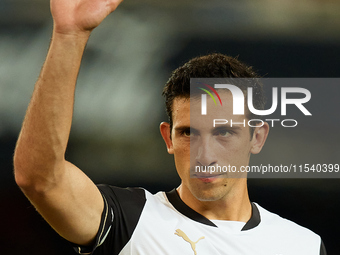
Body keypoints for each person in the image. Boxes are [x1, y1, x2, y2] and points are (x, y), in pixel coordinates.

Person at [13, 0, 326, 254]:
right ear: (168, 136)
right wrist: (70, 36)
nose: (205, 154)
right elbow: (40, 178)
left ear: (256, 137)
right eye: (189, 132)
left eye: (223, 133)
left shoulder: (303, 245)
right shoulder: (132, 220)